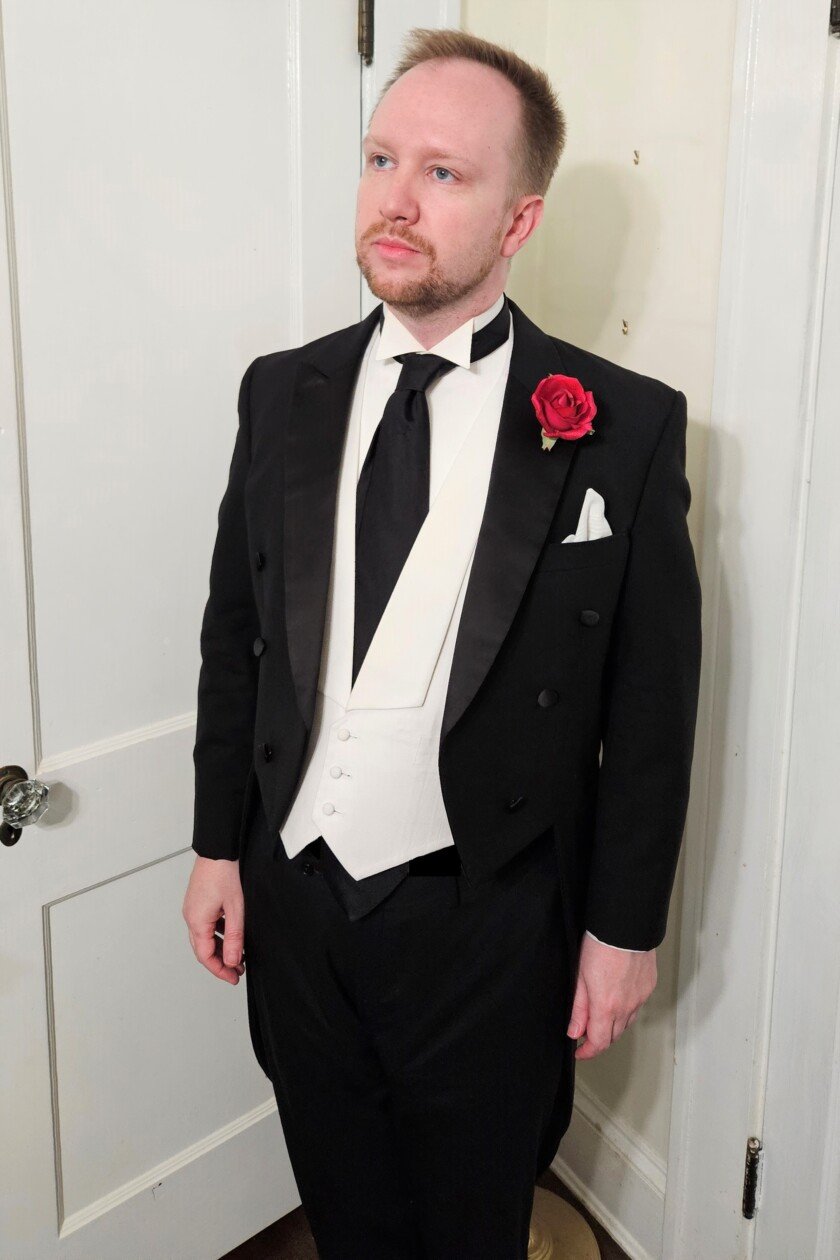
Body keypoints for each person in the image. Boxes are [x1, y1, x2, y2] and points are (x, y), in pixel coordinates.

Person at [182, 27, 702, 1260]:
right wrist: (216, 846)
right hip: (298, 899)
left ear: (520, 221)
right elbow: (235, 637)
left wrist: (625, 931)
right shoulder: (280, 391)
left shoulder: (624, 426)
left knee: (473, 1222)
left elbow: (652, 704)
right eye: (380, 159)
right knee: (345, 1203)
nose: (395, 202)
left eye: (444, 173)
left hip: (493, 918)